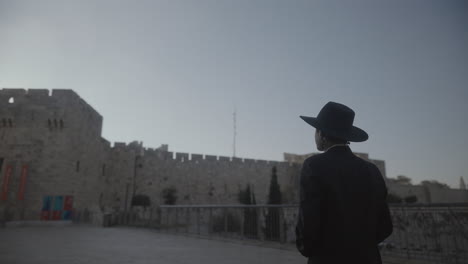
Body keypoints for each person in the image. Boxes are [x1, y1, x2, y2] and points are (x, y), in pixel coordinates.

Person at [296, 102, 393, 264]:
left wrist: (309, 249)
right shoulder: (372, 170)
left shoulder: (314, 165)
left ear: (322, 134)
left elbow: (309, 221)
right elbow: (385, 226)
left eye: (315, 131)